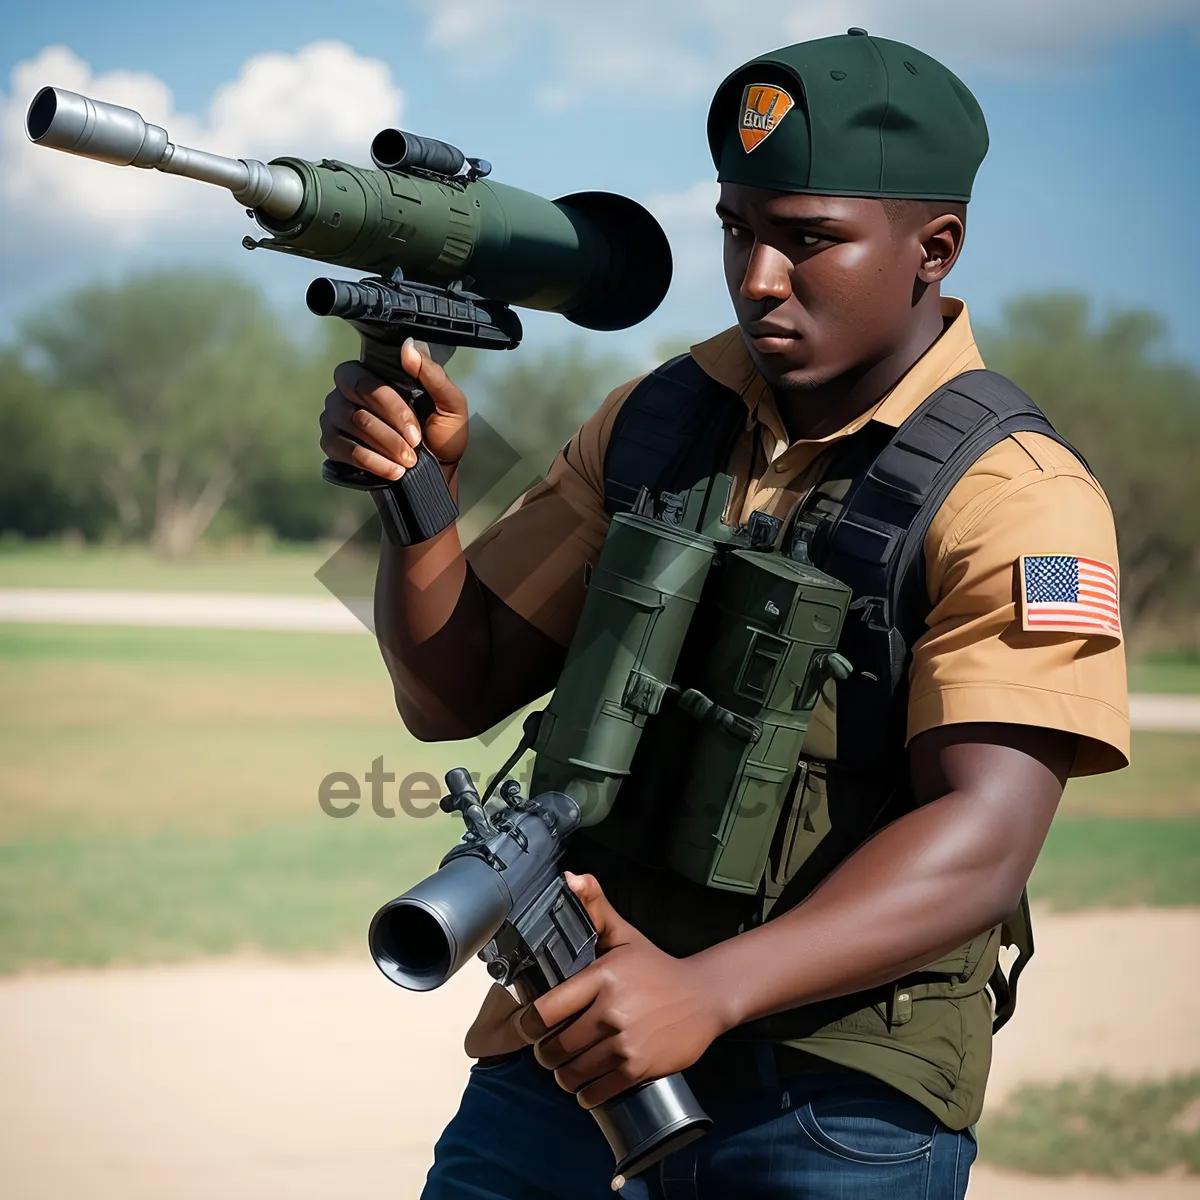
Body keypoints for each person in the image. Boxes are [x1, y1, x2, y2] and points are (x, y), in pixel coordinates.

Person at [319, 29, 1129, 1200]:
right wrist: (418, 500)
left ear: (933, 250)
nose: (756, 275)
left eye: (809, 240)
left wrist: (706, 991)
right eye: (738, 228)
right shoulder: (660, 414)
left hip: (834, 1100)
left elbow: (986, 841)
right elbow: (449, 692)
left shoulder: (1020, 495)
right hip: (576, 1054)